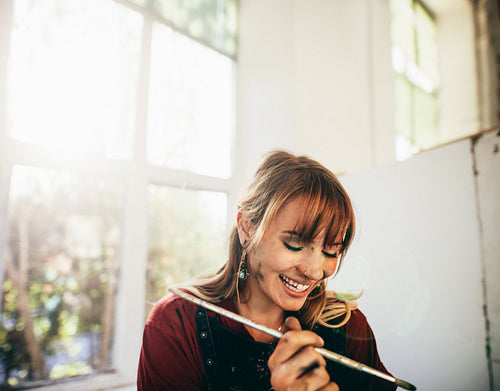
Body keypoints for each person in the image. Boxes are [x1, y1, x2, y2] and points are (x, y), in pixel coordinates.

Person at [137, 150, 397, 391]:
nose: (315, 271)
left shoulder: (348, 326)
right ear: (247, 228)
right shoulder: (175, 324)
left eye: (331, 251)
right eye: (295, 243)